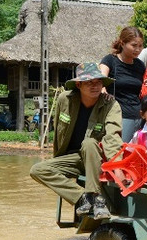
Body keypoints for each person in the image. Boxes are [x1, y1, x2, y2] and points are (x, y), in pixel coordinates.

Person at [30, 62, 122, 220]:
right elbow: (59, 134)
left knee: (89, 143)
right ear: (78, 84)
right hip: (72, 158)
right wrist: (58, 160)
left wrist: (118, 166)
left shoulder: (110, 104)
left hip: (96, 159)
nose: (95, 86)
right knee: (37, 170)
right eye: (89, 83)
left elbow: (113, 137)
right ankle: (82, 198)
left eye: (98, 82)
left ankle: (97, 197)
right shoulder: (64, 100)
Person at [99, 27, 147, 143]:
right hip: (118, 116)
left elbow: (144, 88)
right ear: (122, 43)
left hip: (138, 116)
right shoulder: (110, 60)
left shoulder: (140, 65)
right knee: (119, 151)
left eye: (140, 46)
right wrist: (104, 91)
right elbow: (100, 80)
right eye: (134, 45)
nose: (138, 49)